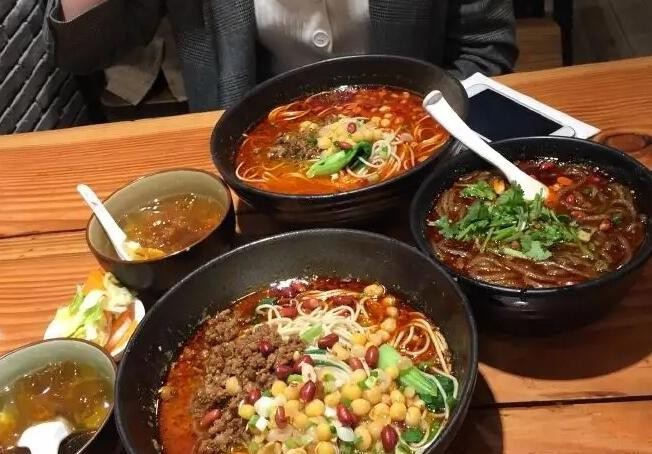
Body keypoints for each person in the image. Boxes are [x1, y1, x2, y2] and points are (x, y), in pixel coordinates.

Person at [45, 0, 517, 112]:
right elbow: (87, 51)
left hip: (415, 155)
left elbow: (485, 47)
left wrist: (420, 130)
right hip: (253, 179)